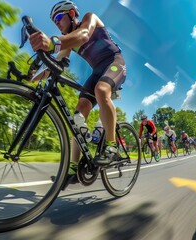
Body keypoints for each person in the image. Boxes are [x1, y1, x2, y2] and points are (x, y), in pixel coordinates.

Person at [28, 1, 126, 182]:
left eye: (58, 18)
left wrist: (51, 42)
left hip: (114, 63)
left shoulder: (90, 18)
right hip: (97, 71)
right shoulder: (67, 42)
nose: (56, 23)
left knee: (101, 90)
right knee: (78, 113)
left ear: (72, 14)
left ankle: (112, 147)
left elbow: (83, 35)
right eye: (53, 21)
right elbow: (53, 66)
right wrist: (30, 78)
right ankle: (73, 168)